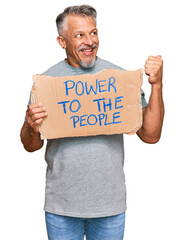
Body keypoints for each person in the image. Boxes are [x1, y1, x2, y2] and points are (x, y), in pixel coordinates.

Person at [20, 5, 164, 240]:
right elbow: (30, 145)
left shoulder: (119, 79)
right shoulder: (47, 84)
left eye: (93, 33)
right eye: (79, 35)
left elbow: (151, 135)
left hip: (110, 206)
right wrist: (31, 126)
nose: (90, 41)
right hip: (62, 207)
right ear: (61, 41)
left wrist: (156, 85)